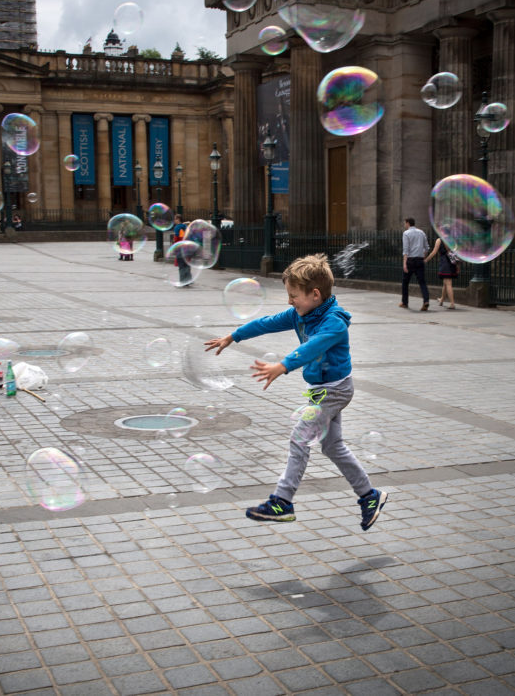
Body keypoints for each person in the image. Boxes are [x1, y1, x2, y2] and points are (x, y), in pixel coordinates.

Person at [204, 253, 387, 530]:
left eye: (293, 295)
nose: (289, 301)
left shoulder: (333, 322)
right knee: (332, 446)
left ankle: (283, 501)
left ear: (315, 294)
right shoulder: (300, 314)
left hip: (334, 390)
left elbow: (314, 346)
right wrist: (234, 336)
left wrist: (283, 365)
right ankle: (369, 496)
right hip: (320, 389)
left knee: (299, 440)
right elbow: (266, 322)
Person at [400, 217, 430, 311]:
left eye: (405, 223)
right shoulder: (421, 232)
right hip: (420, 260)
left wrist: (404, 263)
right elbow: (427, 248)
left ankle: (405, 302)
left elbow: (406, 250)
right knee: (422, 282)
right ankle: (426, 300)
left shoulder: (406, 233)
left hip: (410, 260)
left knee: (405, 282)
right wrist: (423, 257)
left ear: (408, 223)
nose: (404, 225)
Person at [425, 236, 459, 310]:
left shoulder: (439, 240)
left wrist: (426, 260)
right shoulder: (452, 240)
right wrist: (457, 266)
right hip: (451, 262)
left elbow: (434, 252)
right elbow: (456, 253)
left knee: (448, 283)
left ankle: (452, 303)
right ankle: (442, 300)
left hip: (445, 263)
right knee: (445, 282)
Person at [170, 214, 192, 286]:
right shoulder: (185, 227)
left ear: (178, 219)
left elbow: (177, 239)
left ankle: (182, 281)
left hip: (180, 248)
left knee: (181, 266)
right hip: (187, 248)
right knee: (187, 265)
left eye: (175, 219)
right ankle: (188, 280)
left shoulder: (177, 227)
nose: (174, 221)